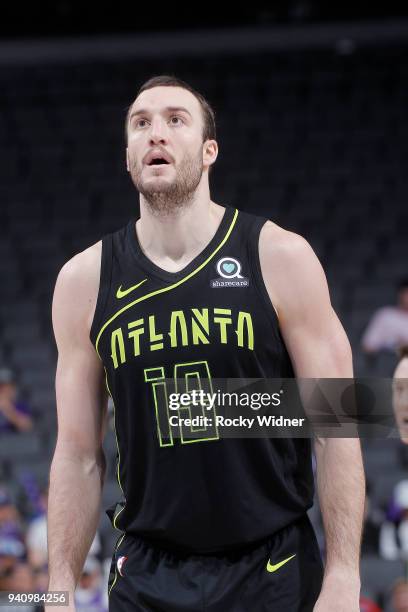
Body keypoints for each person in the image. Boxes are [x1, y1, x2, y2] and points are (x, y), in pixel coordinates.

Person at [47, 75, 365, 611]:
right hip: (148, 571)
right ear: (127, 156)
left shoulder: (279, 256)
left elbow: (338, 427)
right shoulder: (83, 281)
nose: (156, 134)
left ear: (209, 150)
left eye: (176, 120)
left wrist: (343, 577)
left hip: (272, 566)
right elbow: (78, 453)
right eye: (141, 124)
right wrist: (58, 588)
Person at [361, 280, 408, 355]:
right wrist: (393, 345)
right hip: (388, 361)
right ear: (401, 294)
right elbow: (368, 346)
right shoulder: (385, 315)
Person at [0, 368, 33, 433]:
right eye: (2, 387)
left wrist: (7, 409)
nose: (6, 390)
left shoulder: (20, 406)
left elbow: (27, 426)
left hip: (13, 441)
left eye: (9, 386)